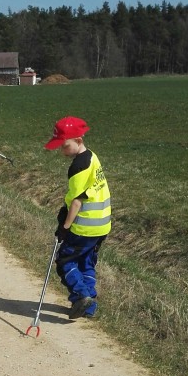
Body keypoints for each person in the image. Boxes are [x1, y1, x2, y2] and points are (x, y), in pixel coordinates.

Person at [44, 115, 111, 319]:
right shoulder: (92, 157)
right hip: (102, 225)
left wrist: (65, 227)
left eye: (65, 146)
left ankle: (81, 296)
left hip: (83, 226)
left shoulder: (77, 167)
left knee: (65, 261)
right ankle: (89, 307)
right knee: (86, 263)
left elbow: (76, 202)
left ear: (78, 141)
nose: (62, 151)